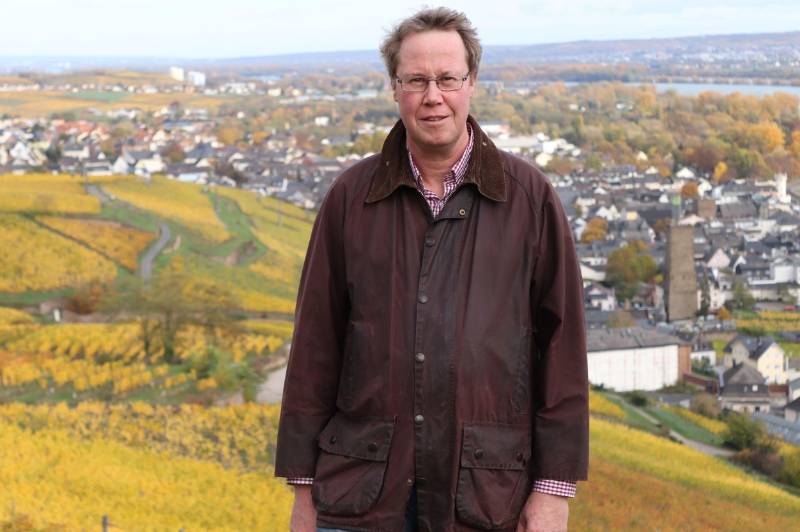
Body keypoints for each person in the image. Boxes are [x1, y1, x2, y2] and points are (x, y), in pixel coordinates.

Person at [275, 7, 588, 532]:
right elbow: (315, 347)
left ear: (473, 83)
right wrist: (304, 488)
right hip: (360, 495)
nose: (432, 96)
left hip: (488, 497)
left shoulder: (530, 198)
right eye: (416, 80)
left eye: (447, 79)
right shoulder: (350, 197)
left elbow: (563, 348)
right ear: (394, 88)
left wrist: (554, 491)